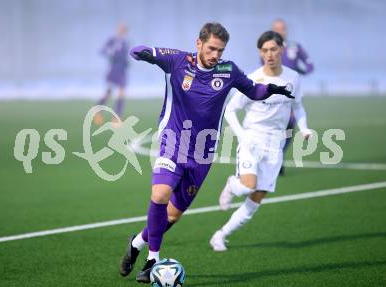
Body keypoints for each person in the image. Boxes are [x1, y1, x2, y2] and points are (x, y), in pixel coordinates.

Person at [118, 22, 294, 284]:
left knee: (173, 215)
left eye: (220, 50)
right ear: (199, 43)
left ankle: (137, 242)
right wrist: (143, 53)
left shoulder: (228, 70)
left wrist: (270, 89)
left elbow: (252, 89)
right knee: (160, 193)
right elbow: (139, 51)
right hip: (173, 142)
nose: (215, 55)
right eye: (211, 48)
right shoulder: (178, 61)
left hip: (202, 153)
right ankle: (152, 259)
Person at [209, 30, 312, 252]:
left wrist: (304, 128)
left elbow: (298, 106)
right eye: (265, 50)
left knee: (255, 201)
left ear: (281, 49)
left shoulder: (293, 78)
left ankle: (220, 235)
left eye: (274, 49)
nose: (270, 54)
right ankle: (231, 184)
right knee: (248, 186)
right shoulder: (254, 80)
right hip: (252, 139)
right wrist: (242, 135)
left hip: (276, 144)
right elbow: (230, 110)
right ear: (260, 52)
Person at [271, 18, 314, 175]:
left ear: (286, 30)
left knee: (290, 125)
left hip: (292, 93)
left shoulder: (295, 47)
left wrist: (300, 71)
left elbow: (310, 66)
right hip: (274, 94)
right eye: (276, 28)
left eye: (282, 28)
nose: (280, 31)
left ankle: (278, 156)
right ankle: (273, 158)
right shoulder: (268, 48)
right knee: (275, 127)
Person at [95, 23, 130, 125]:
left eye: (124, 29)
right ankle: (97, 112)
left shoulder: (126, 42)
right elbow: (103, 51)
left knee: (121, 93)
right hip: (113, 69)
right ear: (118, 30)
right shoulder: (112, 40)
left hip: (122, 70)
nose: (122, 31)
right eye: (121, 29)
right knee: (108, 92)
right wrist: (111, 52)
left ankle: (116, 118)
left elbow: (126, 55)